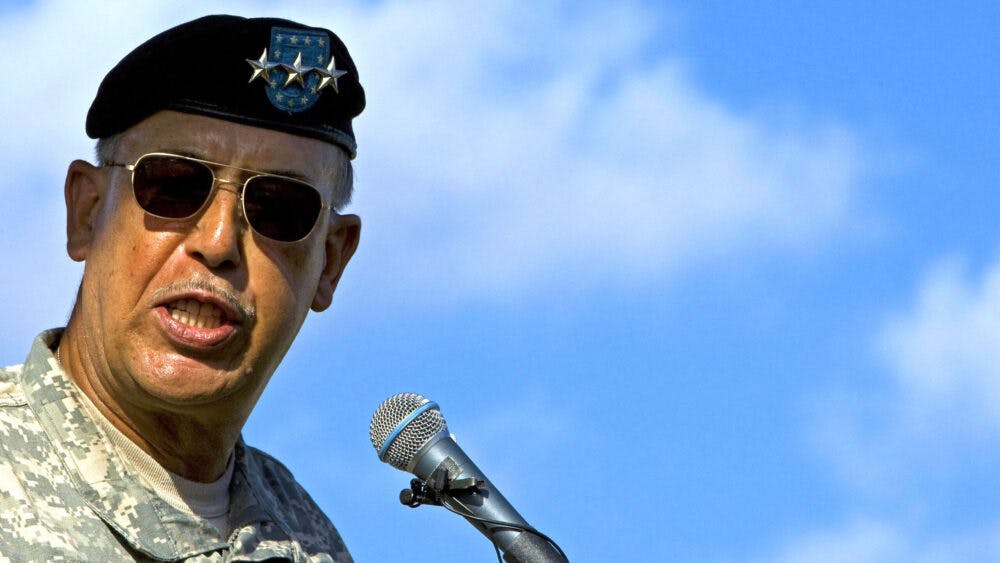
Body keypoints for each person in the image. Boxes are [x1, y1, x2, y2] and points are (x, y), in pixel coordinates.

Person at [0, 15, 363, 561]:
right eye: (173, 186)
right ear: (87, 213)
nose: (218, 243)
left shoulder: (310, 542)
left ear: (330, 262)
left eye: (278, 209)